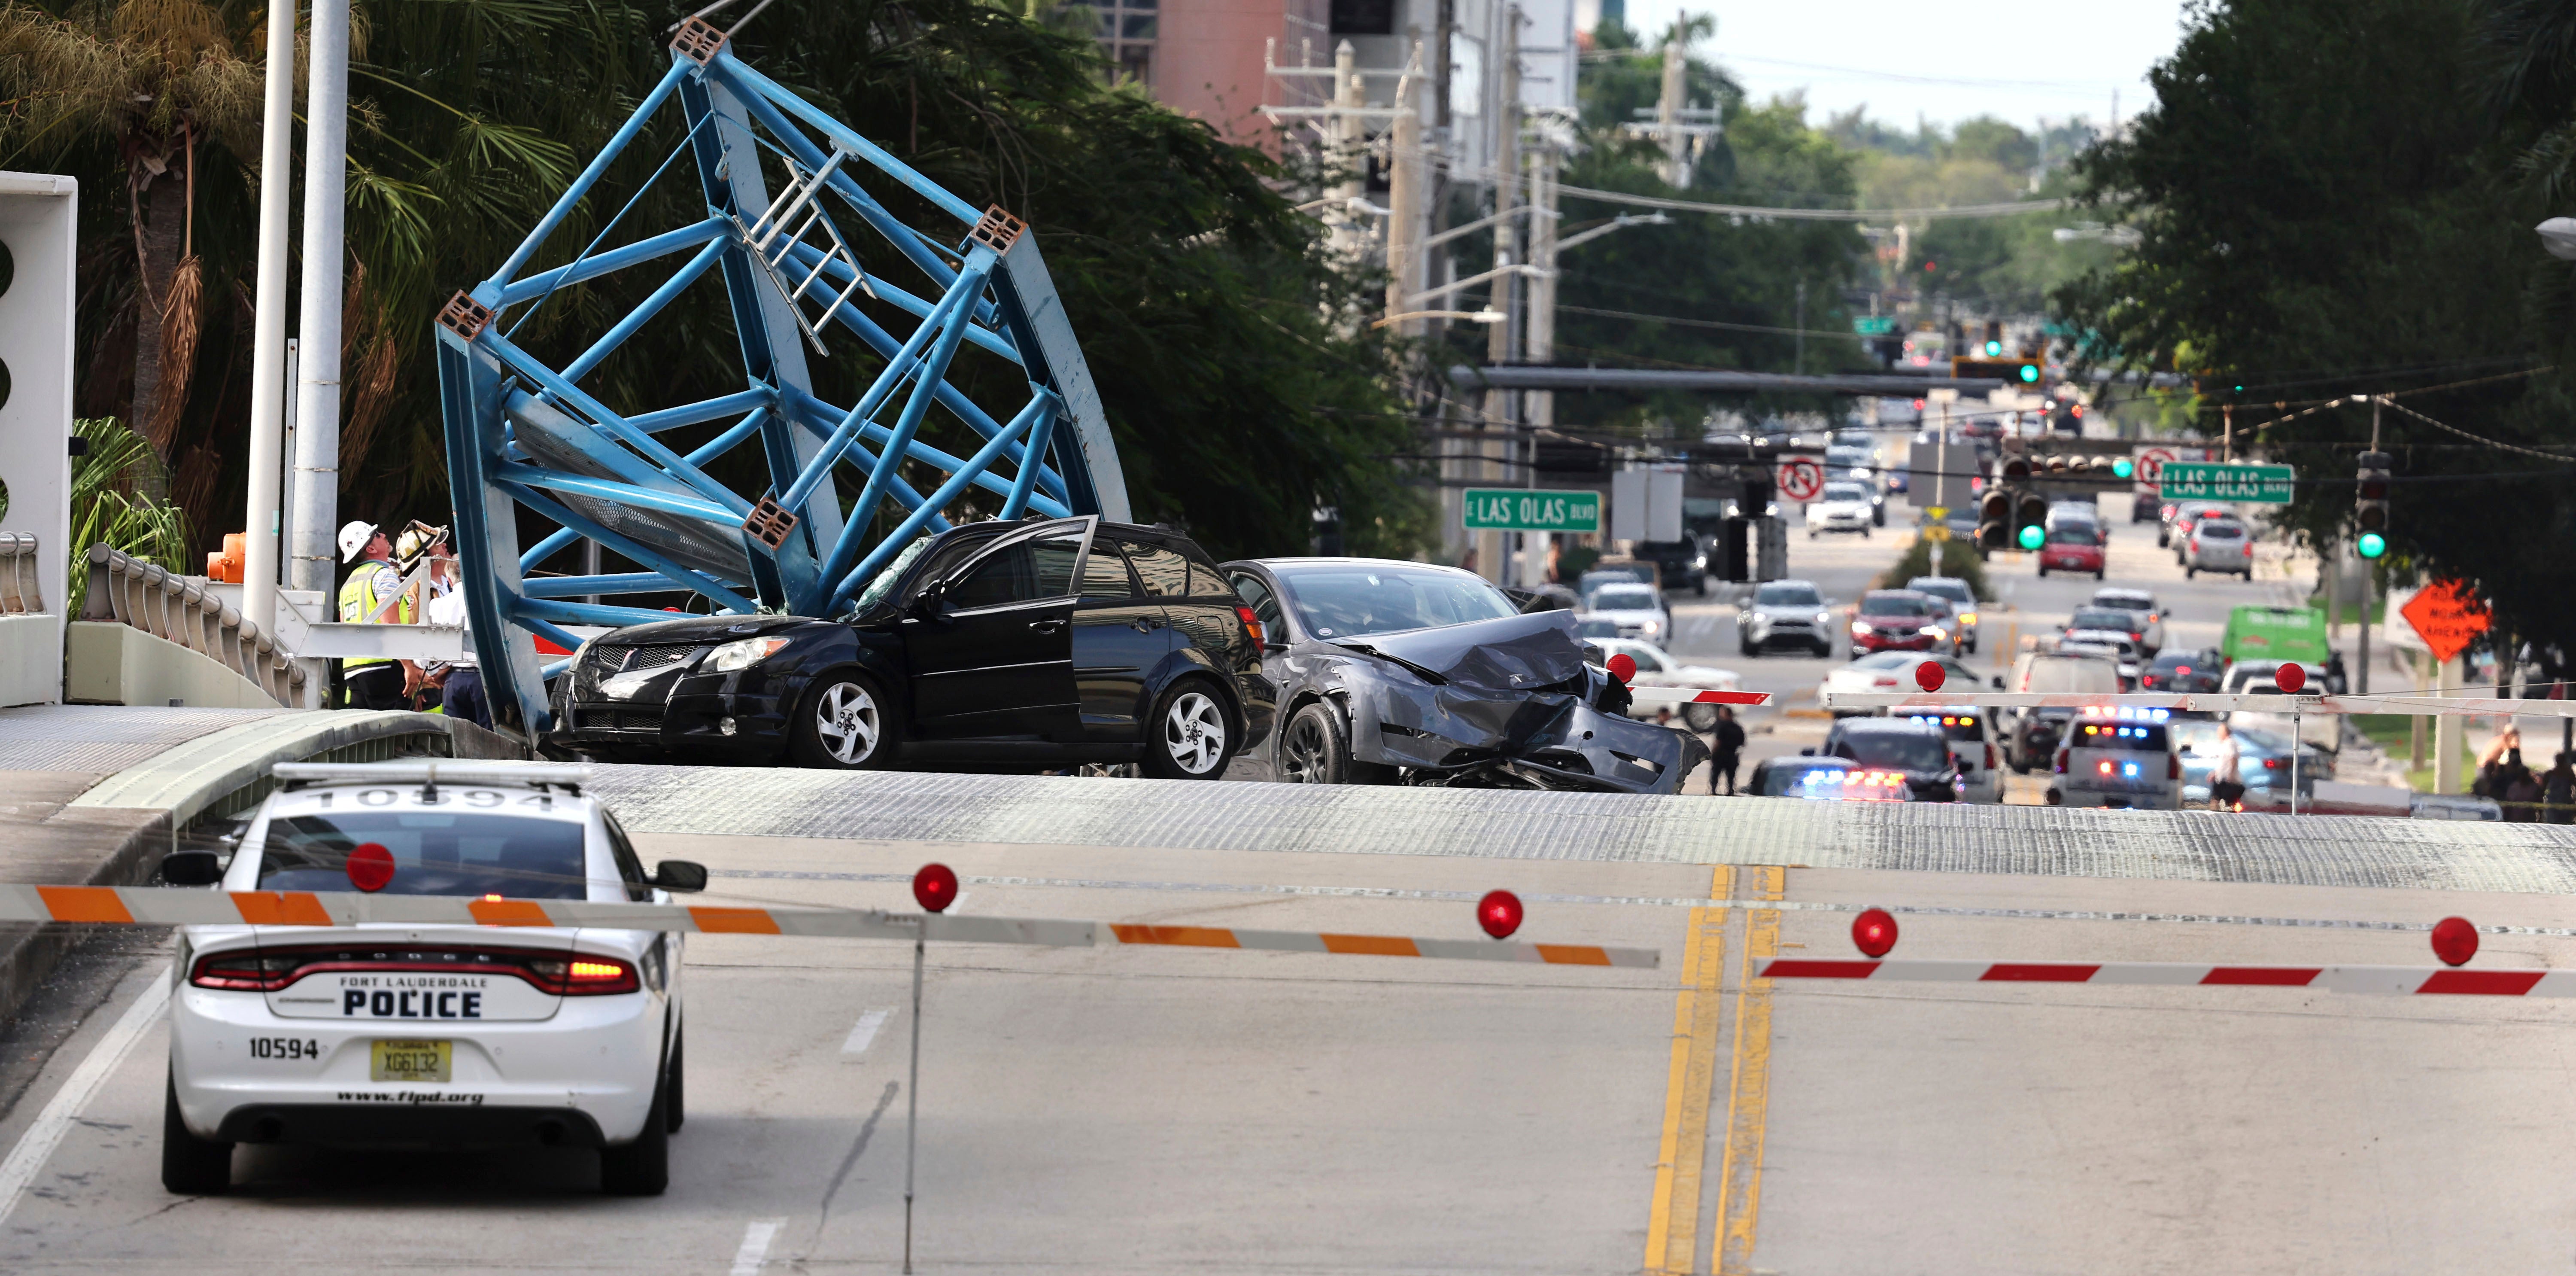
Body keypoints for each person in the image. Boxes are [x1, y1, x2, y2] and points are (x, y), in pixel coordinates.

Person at [335, 521, 419, 711]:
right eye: (377, 534)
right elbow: (390, 625)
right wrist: (408, 666)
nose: (383, 535)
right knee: (396, 731)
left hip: (353, 671)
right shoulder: (384, 575)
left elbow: (343, 628)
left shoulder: (348, 584)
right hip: (383, 668)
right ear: (371, 548)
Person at [2208, 722, 2245, 810]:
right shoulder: (2224, 744)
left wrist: (2231, 774)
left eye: (2220, 731)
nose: (2218, 734)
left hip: (2227, 779)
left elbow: (2233, 759)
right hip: (2220, 777)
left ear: (2225, 732)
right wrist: (2215, 773)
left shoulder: (2231, 743)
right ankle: (2215, 814)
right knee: (2215, 799)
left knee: (2226, 801)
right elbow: (2223, 762)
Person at [1711, 705, 1747, 796]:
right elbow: (1743, 743)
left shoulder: (1722, 726)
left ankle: (1714, 790)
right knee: (1731, 776)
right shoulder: (1738, 728)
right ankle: (1730, 790)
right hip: (1732, 755)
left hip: (1721, 755)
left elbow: (1718, 742)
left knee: (1716, 774)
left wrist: (1713, 753)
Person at [2545, 751, 2576, 825]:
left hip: (2565, 803)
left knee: (2566, 824)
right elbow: (2543, 788)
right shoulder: (2550, 774)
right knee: (2553, 824)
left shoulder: (2569, 774)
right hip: (2553, 804)